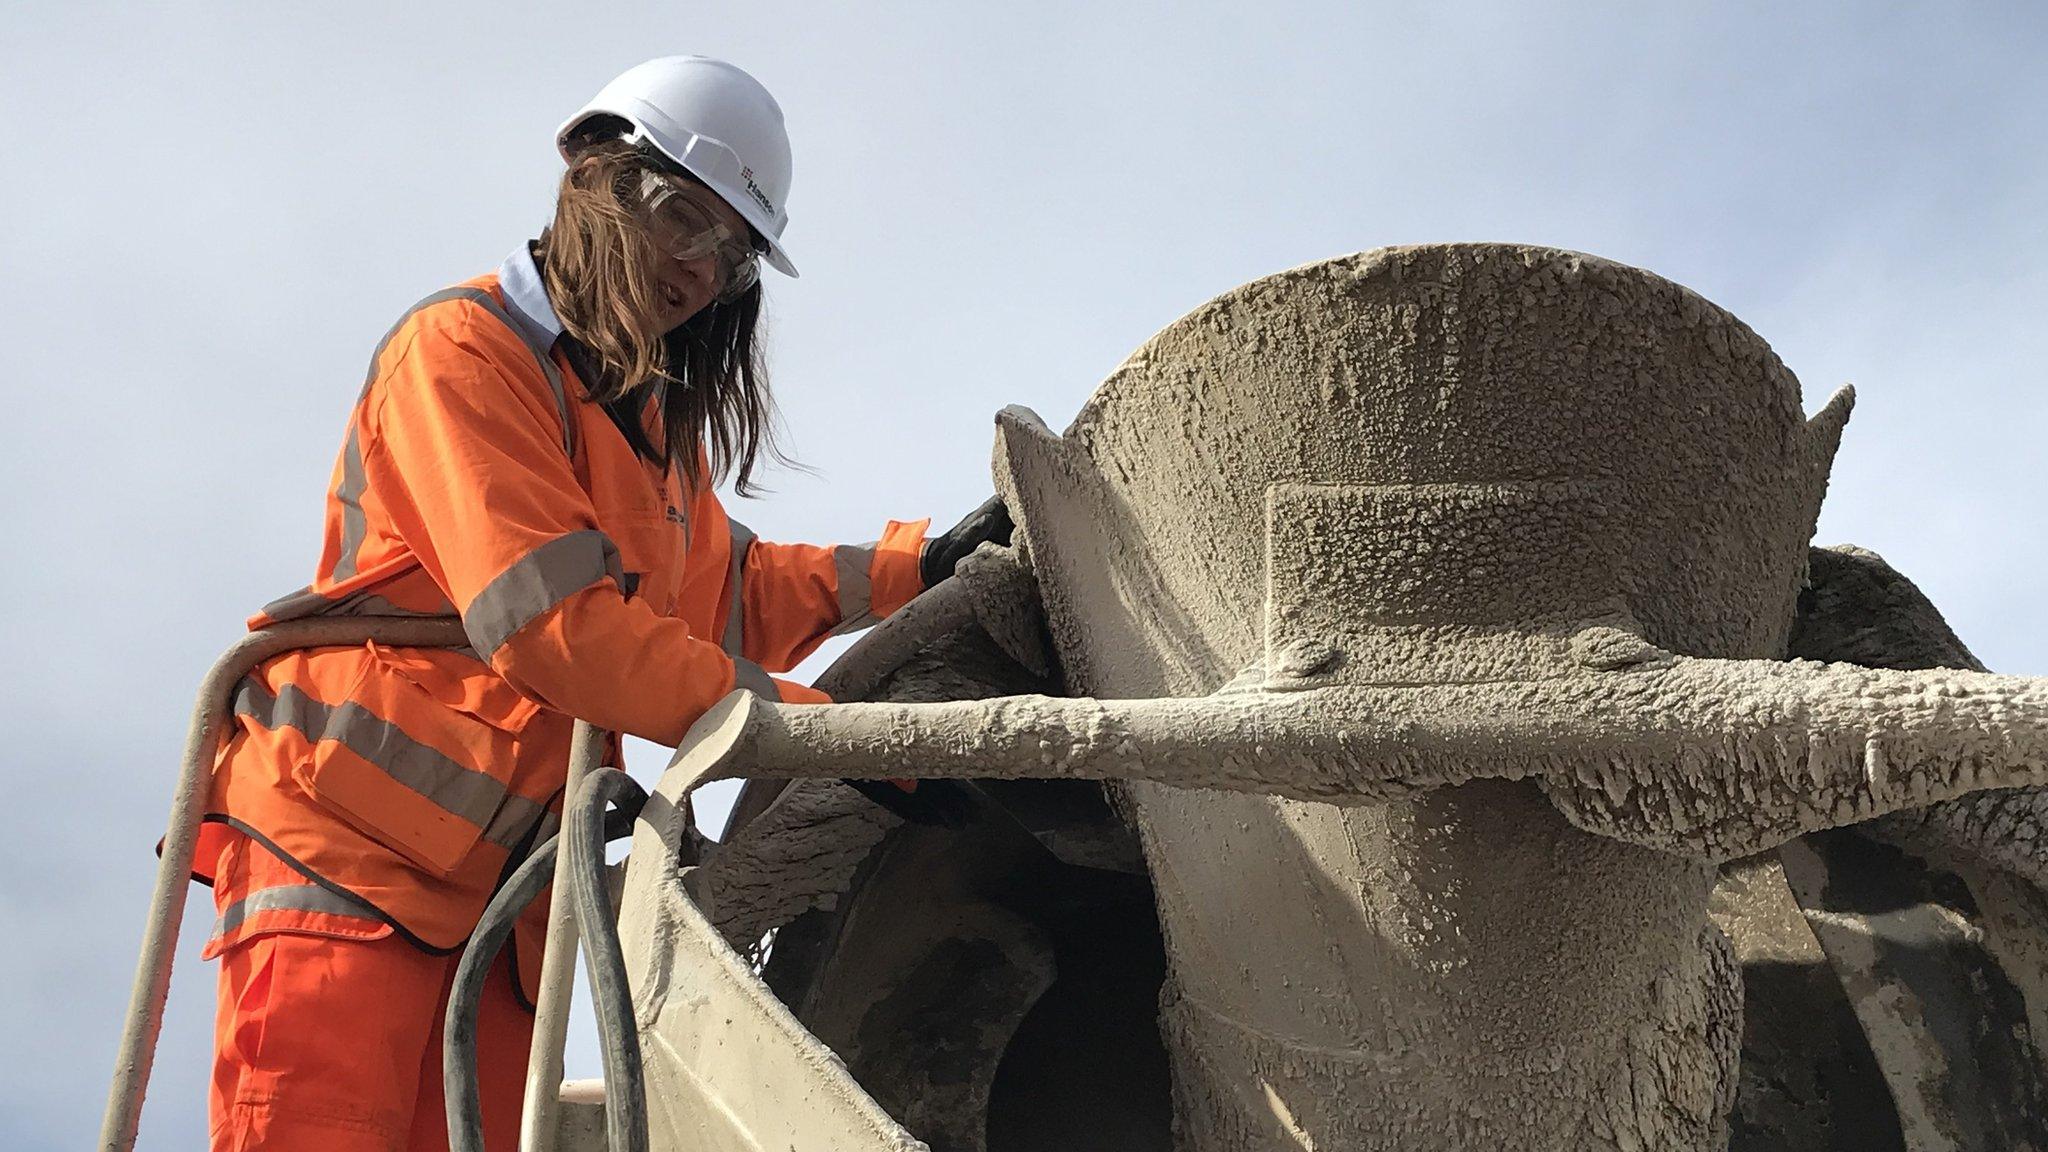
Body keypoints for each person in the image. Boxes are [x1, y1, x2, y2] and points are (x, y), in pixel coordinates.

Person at [192, 55, 1010, 1151]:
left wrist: (921, 567)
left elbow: (718, 598)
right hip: (344, 863)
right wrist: (828, 740)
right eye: (680, 215)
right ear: (591, 174)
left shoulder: (635, 427)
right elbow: (561, 632)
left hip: (496, 913)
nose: (696, 268)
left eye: (729, 252)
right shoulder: (464, 352)